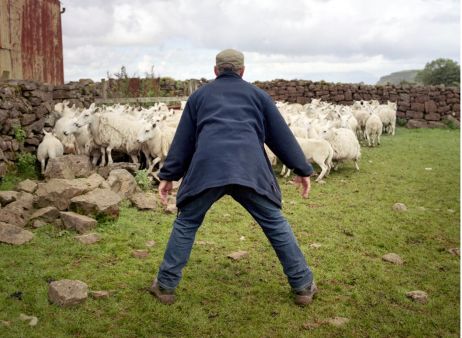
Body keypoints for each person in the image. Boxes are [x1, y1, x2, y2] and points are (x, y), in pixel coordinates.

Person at [149, 48, 317, 306]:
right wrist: (302, 169)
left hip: (207, 170)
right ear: (242, 71)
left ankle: (165, 286)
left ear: (215, 70)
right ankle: (303, 286)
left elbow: (183, 140)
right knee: (275, 223)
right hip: (249, 170)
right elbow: (280, 135)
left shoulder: (199, 97)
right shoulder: (258, 96)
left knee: (187, 223)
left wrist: (168, 176)